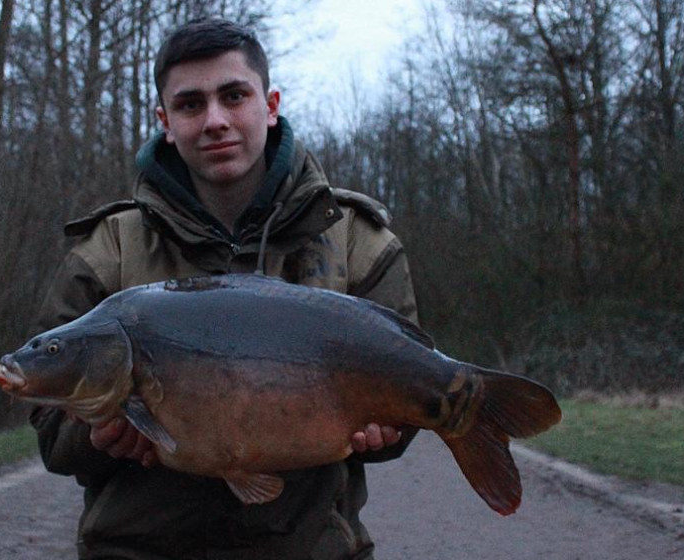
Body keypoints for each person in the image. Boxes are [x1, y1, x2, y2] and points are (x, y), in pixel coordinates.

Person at [30, 17, 419, 560]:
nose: (215, 120)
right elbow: (51, 434)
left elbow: (405, 416)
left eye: (234, 95)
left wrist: (390, 431)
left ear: (271, 103)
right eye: (191, 104)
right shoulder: (106, 252)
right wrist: (94, 439)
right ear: (165, 121)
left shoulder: (360, 241)